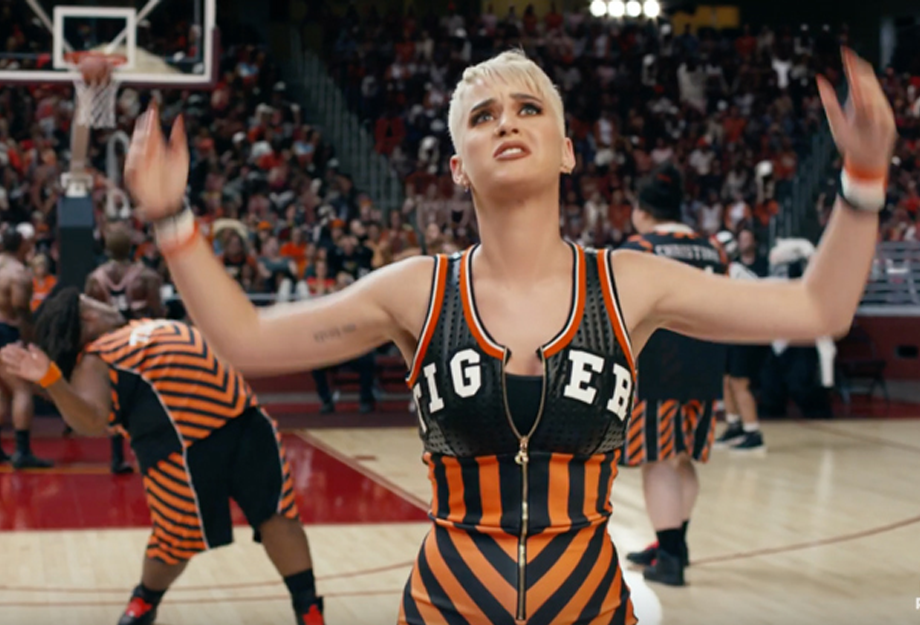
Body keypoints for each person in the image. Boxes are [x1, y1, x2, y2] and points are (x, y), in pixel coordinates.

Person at [123, 48, 892, 623]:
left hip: (593, 605)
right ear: (458, 167)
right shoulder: (417, 290)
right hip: (446, 604)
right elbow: (248, 339)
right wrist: (170, 220)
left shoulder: (629, 282)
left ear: (567, 150)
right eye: (484, 116)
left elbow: (817, 308)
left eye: (528, 108)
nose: (507, 122)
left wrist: (862, 177)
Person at [0, 287, 325, 625]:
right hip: (181, 451)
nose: (105, 304)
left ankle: (308, 607)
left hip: (245, 424)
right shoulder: (94, 359)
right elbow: (91, 422)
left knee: (278, 517)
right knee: (175, 541)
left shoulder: (143, 325)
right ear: (87, 316)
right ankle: (145, 600)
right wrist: (51, 379)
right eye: (94, 301)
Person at [618, 165, 728, 587]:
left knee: (657, 460)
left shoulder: (640, 248)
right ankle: (674, 543)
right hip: (706, 365)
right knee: (681, 458)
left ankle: (668, 557)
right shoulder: (712, 248)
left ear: (642, 210)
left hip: (657, 367)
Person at [86, 223, 165, 473]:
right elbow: (158, 311)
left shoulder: (95, 278)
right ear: (131, 247)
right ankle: (146, 453)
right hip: (139, 340)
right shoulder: (146, 276)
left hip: (110, 342)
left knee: (115, 398)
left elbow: (88, 314)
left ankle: (117, 456)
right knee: (145, 396)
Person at [714, 228, 770, 453]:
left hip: (747, 333)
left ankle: (753, 432)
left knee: (739, 382)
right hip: (731, 333)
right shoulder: (719, 273)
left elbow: (761, 300)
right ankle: (734, 425)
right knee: (726, 380)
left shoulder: (738, 272)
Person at [0, 227, 52, 468]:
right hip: (7, 332)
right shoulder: (18, 274)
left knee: (1, 392)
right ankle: (22, 451)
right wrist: (30, 342)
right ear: (22, 245)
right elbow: (22, 312)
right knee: (22, 389)